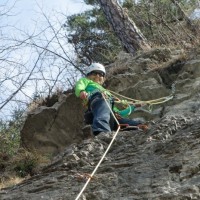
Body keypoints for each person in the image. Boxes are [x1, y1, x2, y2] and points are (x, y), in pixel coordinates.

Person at [75, 63, 147, 136]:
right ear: (88, 75)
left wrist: (134, 106)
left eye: (100, 74)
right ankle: (101, 131)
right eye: (94, 73)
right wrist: (81, 91)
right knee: (103, 107)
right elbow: (79, 86)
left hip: (111, 115)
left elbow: (120, 113)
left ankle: (139, 127)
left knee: (122, 119)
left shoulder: (105, 91)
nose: (97, 76)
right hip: (97, 100)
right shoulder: (86, 81)